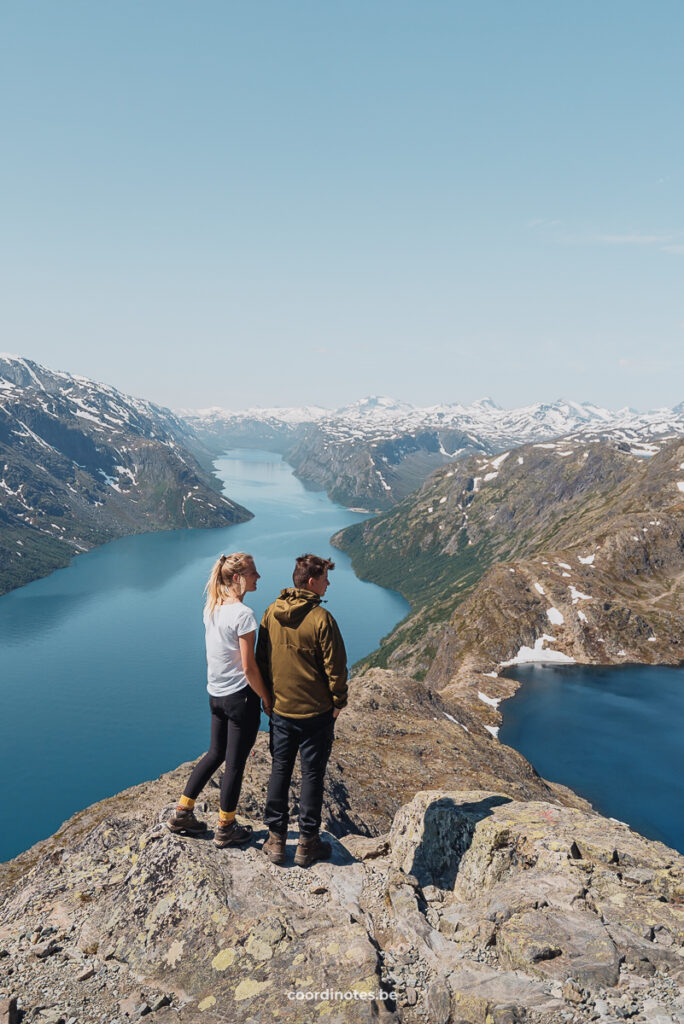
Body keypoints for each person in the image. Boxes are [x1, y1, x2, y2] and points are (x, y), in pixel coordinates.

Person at [167, 552, 272, 847]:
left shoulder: (211, 608)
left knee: (215, 753)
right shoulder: (244, 615)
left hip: (216, 695)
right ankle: (226, 827)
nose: (258, 577)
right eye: (253, 573)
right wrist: (266, 698)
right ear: (237, 578)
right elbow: (249, 668)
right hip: (241, 699)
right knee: (235, 764)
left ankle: (182, 812)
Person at [256, 553, 348, 867]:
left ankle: (276, 840)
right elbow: (336, 668)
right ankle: (308, 843)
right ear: (311, 582)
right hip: (316, 715)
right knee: (312, 775)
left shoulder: (270, 612)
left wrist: (268, 699)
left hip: (281, 711)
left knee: (280, 770)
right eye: (324, 578)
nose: (328, 583)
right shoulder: (322, 619)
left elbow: (262, 660)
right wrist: (338, 703)